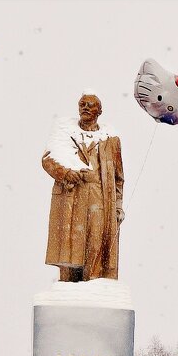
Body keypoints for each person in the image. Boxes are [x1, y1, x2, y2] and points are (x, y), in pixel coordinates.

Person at [42, 91, 125, 282]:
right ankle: (69, 283)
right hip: (73, 195)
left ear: (99, 111)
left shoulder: (111, 140)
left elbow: (118, 178)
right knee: (72, 244)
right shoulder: (64, 131)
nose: (85, 107)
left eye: (90, 105)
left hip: (100, 197)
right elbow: (47, 160)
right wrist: (65, 173)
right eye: (82, 104)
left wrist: (118, 206)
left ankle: (93, 283)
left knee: (96, 242)